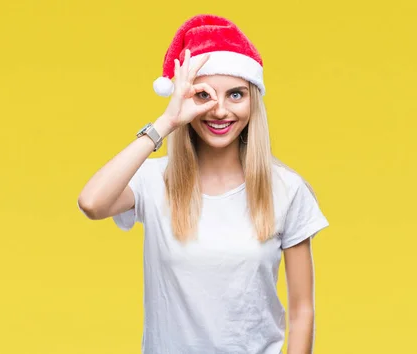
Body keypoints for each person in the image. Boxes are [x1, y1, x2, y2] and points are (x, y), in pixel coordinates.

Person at [77, 14, 329, 354]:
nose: (220, 110)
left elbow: (302, 311)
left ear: (254, 101)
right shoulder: (154, 180)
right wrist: (167, 121)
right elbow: (92, 202)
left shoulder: (286, 189)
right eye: (203, 96)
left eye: (236, 94)